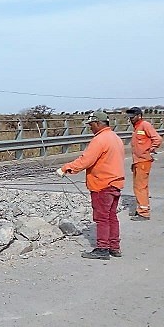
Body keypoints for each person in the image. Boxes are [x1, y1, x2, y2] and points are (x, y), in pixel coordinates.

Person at [56, 110, 125, 260]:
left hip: (103, 184)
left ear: (98, 123)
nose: (90, 127)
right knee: (111, 216)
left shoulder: (99, 140)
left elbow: (86, 160)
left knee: (102, 218)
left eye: (91, 124)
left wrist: (66, 168)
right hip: (115, 183)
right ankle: (114, 247)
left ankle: (102, 248)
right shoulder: (115, 137)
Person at [126, 107, 162, 221]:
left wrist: (150, 150)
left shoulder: (145, 125)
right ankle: (142, 207)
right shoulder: (136, 127)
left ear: (139, 116)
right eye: (130, 117)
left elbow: (157, 139)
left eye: (133, 117)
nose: (131, 119)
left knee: (140, 187)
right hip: (138, 161)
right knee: (140, 186)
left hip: (143, 161)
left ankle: (143, 212)